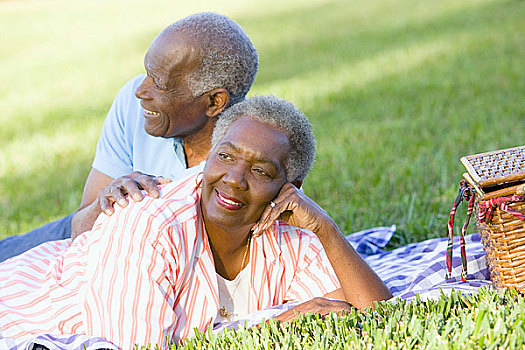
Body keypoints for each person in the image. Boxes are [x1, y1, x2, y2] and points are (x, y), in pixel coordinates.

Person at [0, 96, 392, 349]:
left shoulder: (287, 234)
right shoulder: (149, 227)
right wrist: (268, 329)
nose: (234, 178)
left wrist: (325, 226)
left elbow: (379, 314)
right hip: (17, 305)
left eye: (259, 169)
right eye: (224, 156)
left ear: (290, 187)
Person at [0, 12, 258, 262]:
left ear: (214, 102)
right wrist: (106, 204)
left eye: (159, 83)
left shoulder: (246, 163)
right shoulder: (134, 106)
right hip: (81, 239)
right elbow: (80, 227)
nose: (140, 91)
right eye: (148, 73)